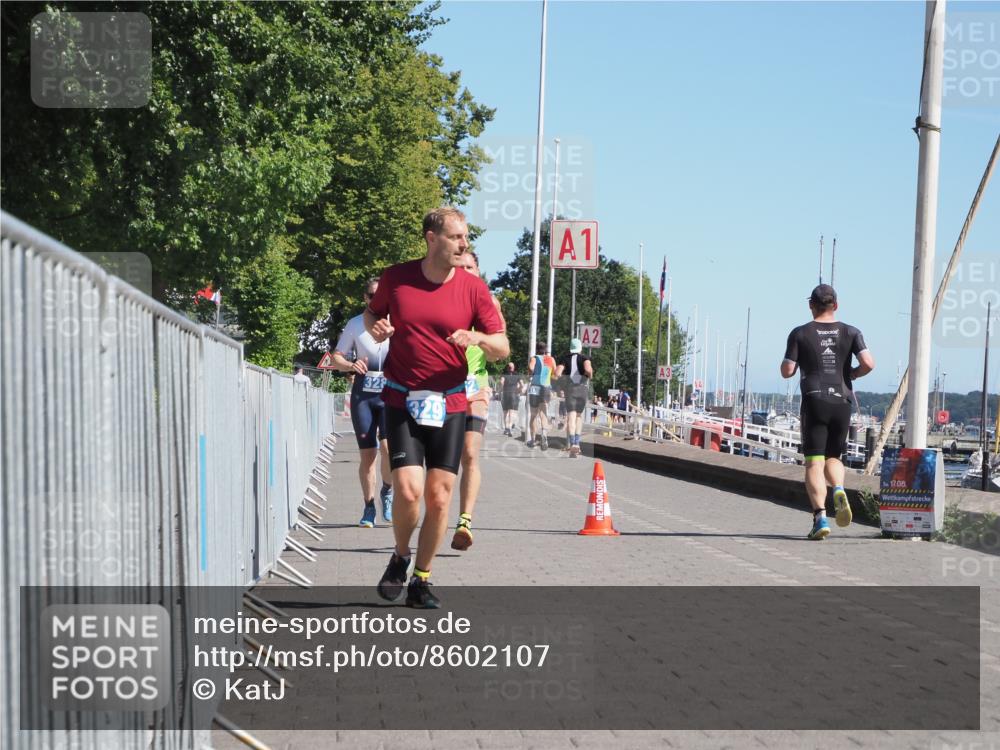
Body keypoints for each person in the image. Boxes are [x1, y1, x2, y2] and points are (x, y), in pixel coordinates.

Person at [365, 207, 508, 608]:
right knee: (409, 491)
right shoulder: (396, 278)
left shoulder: (473, 289)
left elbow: (502, 347)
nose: (464, 244)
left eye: (466, 237)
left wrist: (477, 338)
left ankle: (421, 580)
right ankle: (400, 555)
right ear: (432, 239)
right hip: (402, 398)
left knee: (440, 497)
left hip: (451, 402)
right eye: (456, 237)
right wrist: (377, 326)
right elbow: (372, 313)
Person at [781, 284, 874, 540]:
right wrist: (853, 373)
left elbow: (787, 371)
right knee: (834, 456)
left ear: (811, 305)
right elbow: (869, 363)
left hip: (814, 400)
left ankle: (820, 517)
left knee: (814, 461)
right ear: (836, 305)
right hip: (841, 401)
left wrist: (796, 362)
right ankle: (839, 488)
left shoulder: (800, 333)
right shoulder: (851, 332)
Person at [453, 250, 506, 552]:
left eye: (470, 267)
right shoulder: (442, 298)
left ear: (478, 270)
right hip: (443, 389)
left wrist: (479, 339)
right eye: (460, 267)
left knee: (470, 453)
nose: (465, 271)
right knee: (442, 460)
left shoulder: (489, 303)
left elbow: (499, 351)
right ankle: (436, 511)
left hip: (476, 387)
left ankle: (465, 520)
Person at [331, 278, 393, 528]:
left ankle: (387, 490)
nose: (375, 299)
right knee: (368, 456)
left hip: (390, 394)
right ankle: (369, 506)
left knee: (388, 448)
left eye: (380, 295)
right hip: (363, 396)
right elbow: (336, 357)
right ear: (365, 298)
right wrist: (350, 364)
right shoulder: (355, 324)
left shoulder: (396, 322)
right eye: (371, 295)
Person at [555, 338, 593, 457]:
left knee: (571, 416)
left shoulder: (565, 358)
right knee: (578, 417)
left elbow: (557, 373)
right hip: (582, 389)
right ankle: (577, 443)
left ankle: (572, 444)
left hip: (570, 389)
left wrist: (563, 381)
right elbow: (588, 370)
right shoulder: (585, 358)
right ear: (580, 348)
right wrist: (589, 375)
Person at [526, 343, 557, 450]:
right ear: (545, 350)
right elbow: (555, 374)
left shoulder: (534, 358)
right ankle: (544, 435)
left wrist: (531, 373)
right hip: (546, 387)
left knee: (533, 414)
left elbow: (531, 368)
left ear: (537, 349)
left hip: (535, 387)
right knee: (543, 414)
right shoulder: (551, 359)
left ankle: (533, 439)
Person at [499, 362, 523, 437]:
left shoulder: (504, 374)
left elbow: (501, 382)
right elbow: (522, 384)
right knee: (511, 412)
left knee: (505, 412)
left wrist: (500, 390)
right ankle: (509, 427)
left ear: (507, 368)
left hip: (505, 394)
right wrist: (519, 390)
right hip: (514, 394)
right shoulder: (517, 375)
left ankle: (506, 428)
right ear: (514, 367)